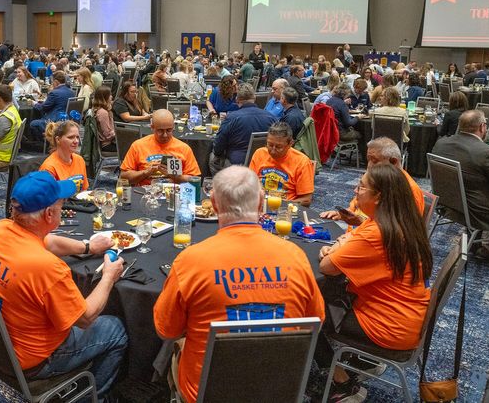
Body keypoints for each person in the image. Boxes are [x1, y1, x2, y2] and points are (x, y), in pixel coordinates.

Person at [154, 166, 324, 403]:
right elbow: (316, 322)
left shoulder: (189, 261)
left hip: (207, 394)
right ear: (261, 202)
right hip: (279, 391)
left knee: (173, 350)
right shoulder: (296, 256)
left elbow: (167, 330)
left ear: (214, 204)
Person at [0, 171, 126, 398]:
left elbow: (48, 241)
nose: (63, 206)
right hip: (33, 361)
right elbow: (85, 318)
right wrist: (109, 277)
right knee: (116, 328)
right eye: (61, 203)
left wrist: (87, 247)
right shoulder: (48, 268)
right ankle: (92, 397)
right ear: (49, 213)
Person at [315, 164, 432, 402]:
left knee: (302, 306)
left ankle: (344, 384)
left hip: (387, 327)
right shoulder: (394, 220)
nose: (355, 191)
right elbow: (348, 237)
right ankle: (363, 360)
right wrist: (341, 246)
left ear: (378, 196)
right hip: (405, 314)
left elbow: (326, 266)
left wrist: (336, 250)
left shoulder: (378, 233)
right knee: (323, 291)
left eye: (361, 187)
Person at [432, 110, 489, 258]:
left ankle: (476, 243)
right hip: (476, 210)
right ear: (482, 127)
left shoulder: (441, 144)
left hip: (449, 204)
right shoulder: (487, 153)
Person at [320, 137, 425, 225]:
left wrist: (361, 222)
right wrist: (343, 214)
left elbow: (400, 232)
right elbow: (355, 207)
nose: (369, 166)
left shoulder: (409, 190)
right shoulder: (374, 178)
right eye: (368, 160)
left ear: (393, 162)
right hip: (357, 234)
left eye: (374, 161)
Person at [209, 83, 277, 173]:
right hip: (264, 163)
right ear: (254, 98)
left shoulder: (231, 118)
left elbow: (218, 146)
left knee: (213, 158)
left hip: (237, 165)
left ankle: (222, 182)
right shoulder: (272, 118)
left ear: (237, 100)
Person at [121, 110, 200, 185]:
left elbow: (195, 179)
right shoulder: (138, 145)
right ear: (152, 127)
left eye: (169, 130)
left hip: (175, 191)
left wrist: (176, 176)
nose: (165, 135)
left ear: (173, 127)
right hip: (145, 191)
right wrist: (146, 172)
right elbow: (124, 177)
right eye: (160, 131)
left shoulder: (184, 148)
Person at [249, 123, 314, 206]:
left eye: (279, 147)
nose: (273, 151)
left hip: (285, 208)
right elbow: (249, 184)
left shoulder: (302, 162)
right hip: (259, 204)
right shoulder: (259, 153)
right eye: (270, 145)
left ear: (290, 144)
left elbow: (306, 200)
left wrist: (280, 205)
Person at [40, 120, 89, 193]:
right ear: (58, 139)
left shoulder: (79, 160)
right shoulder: (49, 168)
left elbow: (84, 191)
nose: (76, 141)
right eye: (71, 137)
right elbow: (45, 197)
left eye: (77, 137)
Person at [29, 71, 74, 141]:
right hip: (68, 120)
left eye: (52, 82)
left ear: (56, 82)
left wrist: (35, 104)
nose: (52, 84)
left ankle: (45, 143)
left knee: (33, 124)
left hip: (55, 121)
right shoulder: (71, 92)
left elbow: (43, 108)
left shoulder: (54, 92)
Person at [92, 86, 116, 152]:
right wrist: (120, 133)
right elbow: (107, 134)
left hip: (109, 142)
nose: (111, 97)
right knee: (133, 146)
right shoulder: (103, 112)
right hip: (107, 144)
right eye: (110, 95)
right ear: (104, 97)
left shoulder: (98, 109)